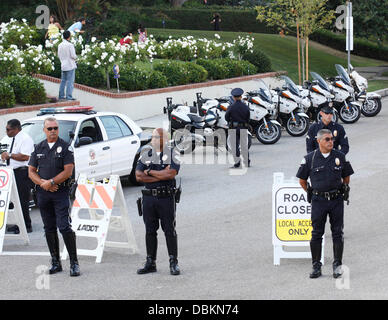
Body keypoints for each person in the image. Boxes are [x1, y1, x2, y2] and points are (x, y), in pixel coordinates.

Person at [296, 129, 354, 279]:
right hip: (318, 201)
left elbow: (346, 177)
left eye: (332, 139)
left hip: (336, 200)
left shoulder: (340, 157)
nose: (331, 142)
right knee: (316, 233)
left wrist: (342, 189)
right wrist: (313, 191)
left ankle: (337, 265)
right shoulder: (310, 159)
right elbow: (302, 180)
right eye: (327, 139)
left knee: (337, 233)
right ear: (319, 141)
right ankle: (316, 266)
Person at [28, 117, 80, 277]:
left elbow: (68, 171)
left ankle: (74, 263)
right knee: (49, 228)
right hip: (43, 194)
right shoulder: (38, 148)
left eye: (55, 128)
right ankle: (55, 262)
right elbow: (31, 171)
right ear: (44, 130)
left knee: (64, 227)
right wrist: (43, 183)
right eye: (49, 128)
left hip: (60, 193)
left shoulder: (65, 148)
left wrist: (50, 182)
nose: (53, 131)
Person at [135, 128, 181, 276]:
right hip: (148, 198)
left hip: (166, 197)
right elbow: (138, 176)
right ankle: (150, 262)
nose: (154, 140)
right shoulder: (146, 154)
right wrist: (159, 176)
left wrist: (150, 172)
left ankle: (173, 262)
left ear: (165, 139)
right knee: (150, 230)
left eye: (157, 137)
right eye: (153, 137)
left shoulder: (173, 154)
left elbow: (171, 173)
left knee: (169, 230)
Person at [1, 119, 34, 234]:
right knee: (11, 200)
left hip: (22, 172)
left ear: (16, 129)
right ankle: (16, 224)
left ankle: (26, 225)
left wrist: (9, 155)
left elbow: (26, 156)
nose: (6, 131)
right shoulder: (8, 139)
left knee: (22, 200)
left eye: (8, 129)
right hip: (10, 172)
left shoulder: (25, 139)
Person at [225, 88, 251, 168]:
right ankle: (247, 162)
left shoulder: (231, 107)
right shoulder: (245, 107)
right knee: (244, 146)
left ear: (233, 97)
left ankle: (237, 163)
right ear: (241, 96)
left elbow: (226, 117)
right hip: (243, 127)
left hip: (234, 128)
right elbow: (248, 118)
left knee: (235, 146)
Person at [58, 30, 77, 101]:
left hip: (63, 65)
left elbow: (59, 55)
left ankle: (61, 95)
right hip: (70, 65)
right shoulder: (70, 45)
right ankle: (69, 96)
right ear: (69, 37)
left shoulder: (60, 45)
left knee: (63, 81)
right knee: (70, 82)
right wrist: (76, 58)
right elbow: (73, 56)